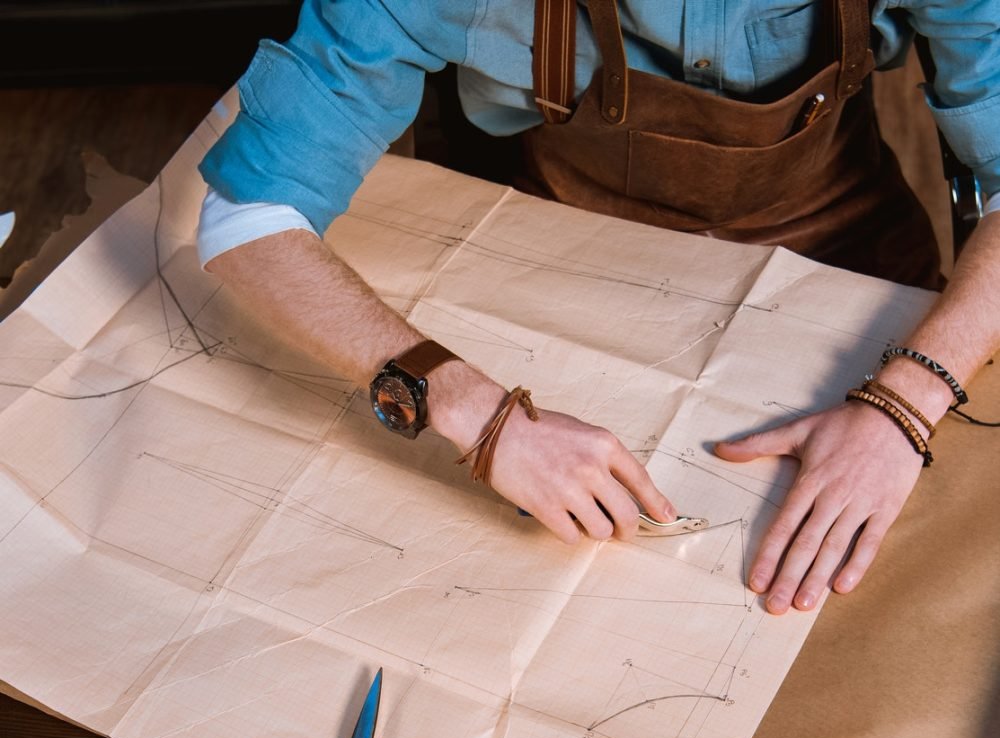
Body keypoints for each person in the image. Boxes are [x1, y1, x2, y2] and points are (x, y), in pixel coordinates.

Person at [197, 2, 1000, 615]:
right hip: (561, 259)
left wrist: (906, 400)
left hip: (840, 246)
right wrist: (479, 414)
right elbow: (247, 222)